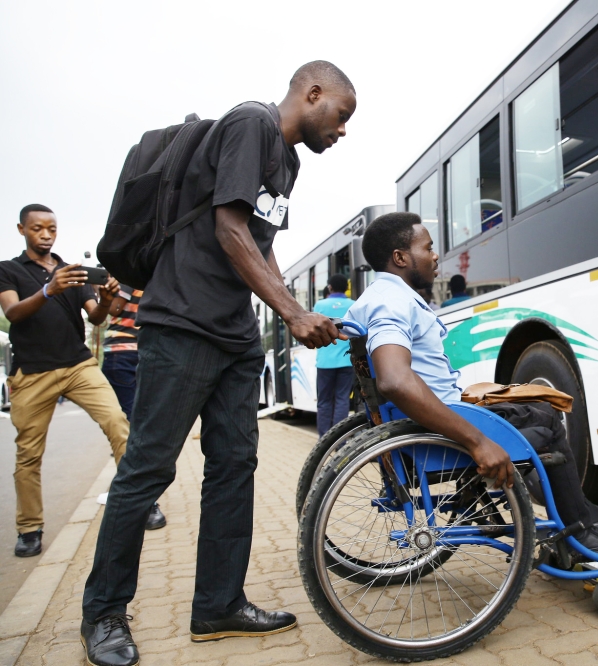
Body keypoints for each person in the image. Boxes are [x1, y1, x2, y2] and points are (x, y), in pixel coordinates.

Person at [80, 61, 355, 666]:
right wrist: (288, 313)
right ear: (312, 94)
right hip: (181, 323)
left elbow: (260, 241)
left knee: (234, 467)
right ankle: (102, 613)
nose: (342, 131)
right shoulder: (251, 124)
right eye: (340, 115)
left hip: (234, 337)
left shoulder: (289, 162)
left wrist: (299, 311)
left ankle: (218, 605)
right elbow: (227, 227)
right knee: (147, 470)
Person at [347, 212, 598, 554]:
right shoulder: (393, 302)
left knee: (528, 408)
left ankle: (575, 512)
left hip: (427, 423)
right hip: (440, 435)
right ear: (400, 258)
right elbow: (395, 380)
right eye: (427, 248)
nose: (434, 256)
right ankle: (578, 532)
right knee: (547, 419)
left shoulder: (376, 298)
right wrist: (476, 441)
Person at [0, 204, 129, 558]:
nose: (45, 234)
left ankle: (139, 504)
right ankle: (30, 529)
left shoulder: (73, 273)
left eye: (51, 229)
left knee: (119, 424)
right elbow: (12, 312)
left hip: (78, 366)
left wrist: (105, 300)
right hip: (33, 373)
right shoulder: (8, 271)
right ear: (22, 230)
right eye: (38, 228)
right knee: (28, 454)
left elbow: (98, 318)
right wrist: (48, 291)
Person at [102, 285, 167, 530]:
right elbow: (113, 309)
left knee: (146, 426)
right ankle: (143, 502)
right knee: (132, 428)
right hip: (122, 354)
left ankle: (137, 495)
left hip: (148, 351)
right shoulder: (128, 276)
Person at [312, 273, 355, 435]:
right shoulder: (354, 304)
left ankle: (324, 439)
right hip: (347, 361)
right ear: (346, 288)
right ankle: (340, 439)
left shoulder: (320, 305)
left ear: (329, 287)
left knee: (324, 401)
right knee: (342, 399)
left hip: (324, 362)